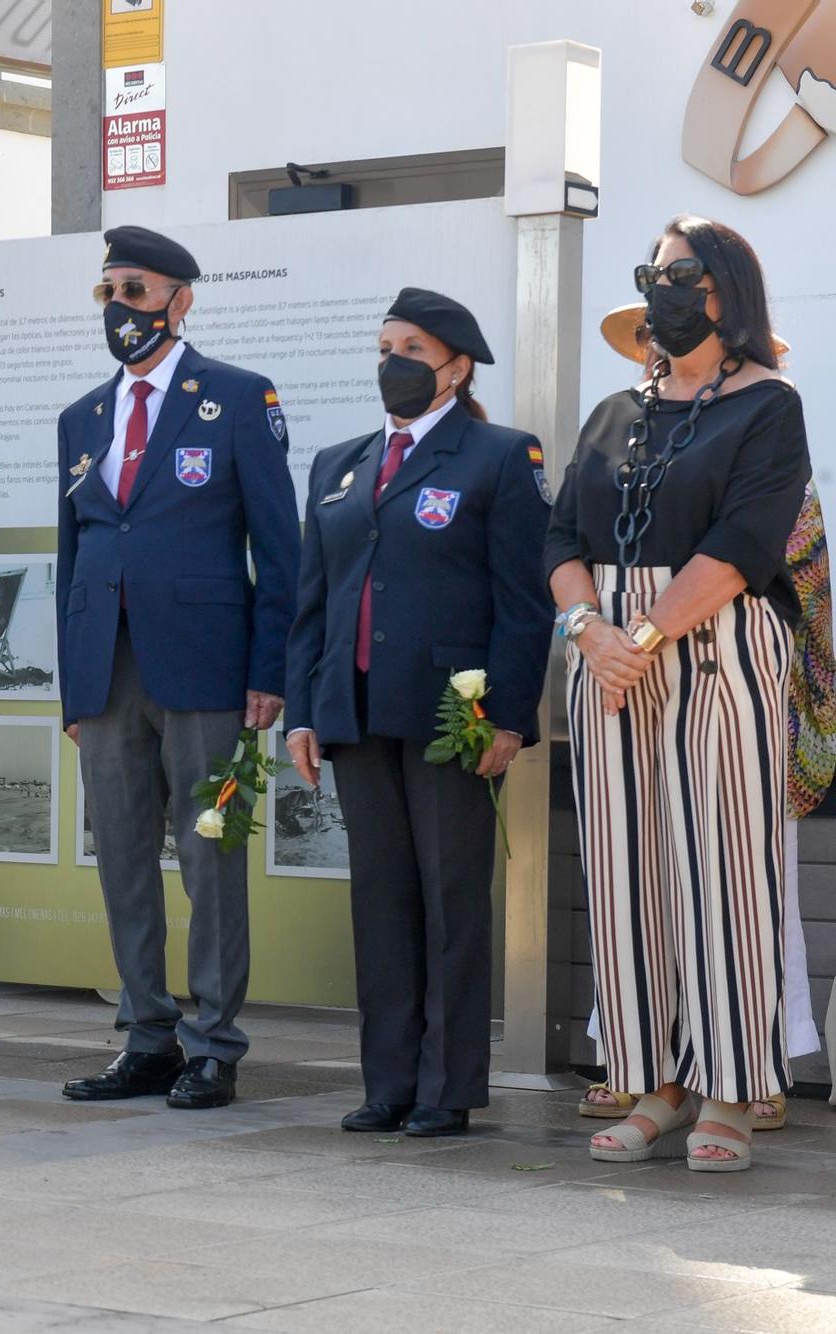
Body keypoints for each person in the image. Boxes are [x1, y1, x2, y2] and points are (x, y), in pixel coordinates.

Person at [547, 215, 807, 1172]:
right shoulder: (614, 411)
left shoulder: (769, 405)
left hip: (717, 651)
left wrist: (646, 639)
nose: (663, 291)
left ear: (726, 291)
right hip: (607, 656)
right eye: (652, 276)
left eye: (682, 275)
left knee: (725, 871)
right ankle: (650, 1082)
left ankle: (735, 1090)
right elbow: (559, 539)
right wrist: (590, 634)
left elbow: (745, 543)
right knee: (623, 874)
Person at [284, 289, 552, 1138]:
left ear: (456, 366)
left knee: (450, 899)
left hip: (452, 717)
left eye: (412, 347)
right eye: (384, 345)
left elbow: (523, 601)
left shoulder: (502, 457)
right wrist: (302, 712)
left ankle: (446, 1088)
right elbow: (311, 604)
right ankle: (387, 1081)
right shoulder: (339, 463)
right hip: (354, 713)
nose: (392, 361)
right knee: (381, 900)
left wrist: (508, 715)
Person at [55, 226, 300, 1109]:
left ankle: (213, 1044)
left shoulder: (236, 397)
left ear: (179, 300)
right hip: (107, 670)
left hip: (205, 666)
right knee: (122, 858)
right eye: (109, 292)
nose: (120, 308)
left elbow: (279, 546)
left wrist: (269, 669)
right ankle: (146, 1036)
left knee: (210, 859)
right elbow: (73, 549)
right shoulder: (82, 416)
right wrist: (74, 687)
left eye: (136, 291)